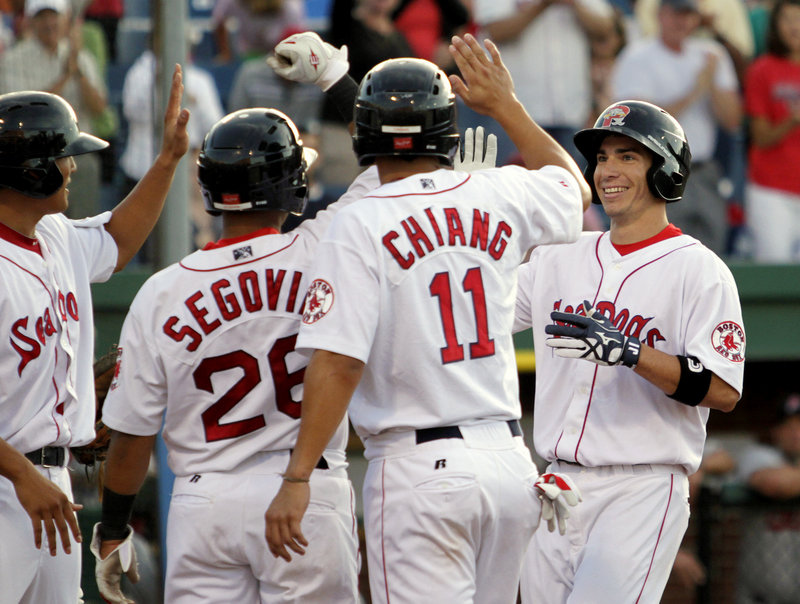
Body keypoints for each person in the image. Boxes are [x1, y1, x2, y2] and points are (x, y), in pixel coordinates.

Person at [265, 33, 591, 603]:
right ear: (449, 129)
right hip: (509, 462)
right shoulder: (499, 191)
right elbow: (573, 187)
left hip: (419, 470)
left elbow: (339, 362)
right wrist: (505, 106)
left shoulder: (357, 220)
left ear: (364, 136)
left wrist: (297, 477)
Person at [92, 107, 376, 604]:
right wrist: (337, 80)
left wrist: (113, 527)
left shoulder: (162, 291)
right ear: (292, 183)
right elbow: (386, 173)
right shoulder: (323, 246)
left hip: (204, 501)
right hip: (303, 488)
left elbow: (133, 437)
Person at [513, 99, 744, 603]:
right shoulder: (560, 257)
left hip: (640, 488)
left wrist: (630, 352)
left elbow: (724, 391)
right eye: (602, 158)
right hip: (556, 485)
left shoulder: (699, 270)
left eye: (627, 157)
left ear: (663, 170)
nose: (607, 171)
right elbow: (477, 311)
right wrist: (474, 233)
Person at [0, 66, 189, 604]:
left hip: (53, 487)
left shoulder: (55, 235)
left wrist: (168, 160)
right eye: (65, 159)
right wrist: (21, 475)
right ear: (34, 171)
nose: (72, 169)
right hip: (9, 481)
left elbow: (119, 237)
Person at [611, 0, 743, 256]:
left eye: (688, 14)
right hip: (658, 169)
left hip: (703, 170)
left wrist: (712, 82)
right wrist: (697, 88)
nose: (681, 21)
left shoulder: (712, 53)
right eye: (675, 13)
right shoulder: (638, 55)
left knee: (709, 255)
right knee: (660, 254)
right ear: (660, 15)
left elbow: (732, 120)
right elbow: (642, 123)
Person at [0, 0, 108, 219]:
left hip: (79, 152)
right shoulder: (13, 60)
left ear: (66, 18)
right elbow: (26, 115)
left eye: (54, 16)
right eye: (42, 17)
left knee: (84, 223)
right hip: (34, 158)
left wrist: (77, 71)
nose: (49, 23)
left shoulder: (81, 58)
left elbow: (99, 109)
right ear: (31, 21)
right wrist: (65, 76)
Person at [472, 0, 615, 164]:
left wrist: (574, 3)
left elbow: (605, 27)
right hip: (515, 112)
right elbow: (496, 30)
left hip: (570, 111)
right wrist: (543, 4)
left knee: (571, 186)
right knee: (514, 184)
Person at [743, 0, 800, 262]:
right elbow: (761, 136)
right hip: (771, 188)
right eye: (787, 19)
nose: (794, 27)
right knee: (774, 266)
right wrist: (792, 119)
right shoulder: (762, 70)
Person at [734, 393, 800, 603]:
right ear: (775, 431)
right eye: (788, 426)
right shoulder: (759, 455)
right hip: (760, 597)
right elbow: (773, 483)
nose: (796, 433)